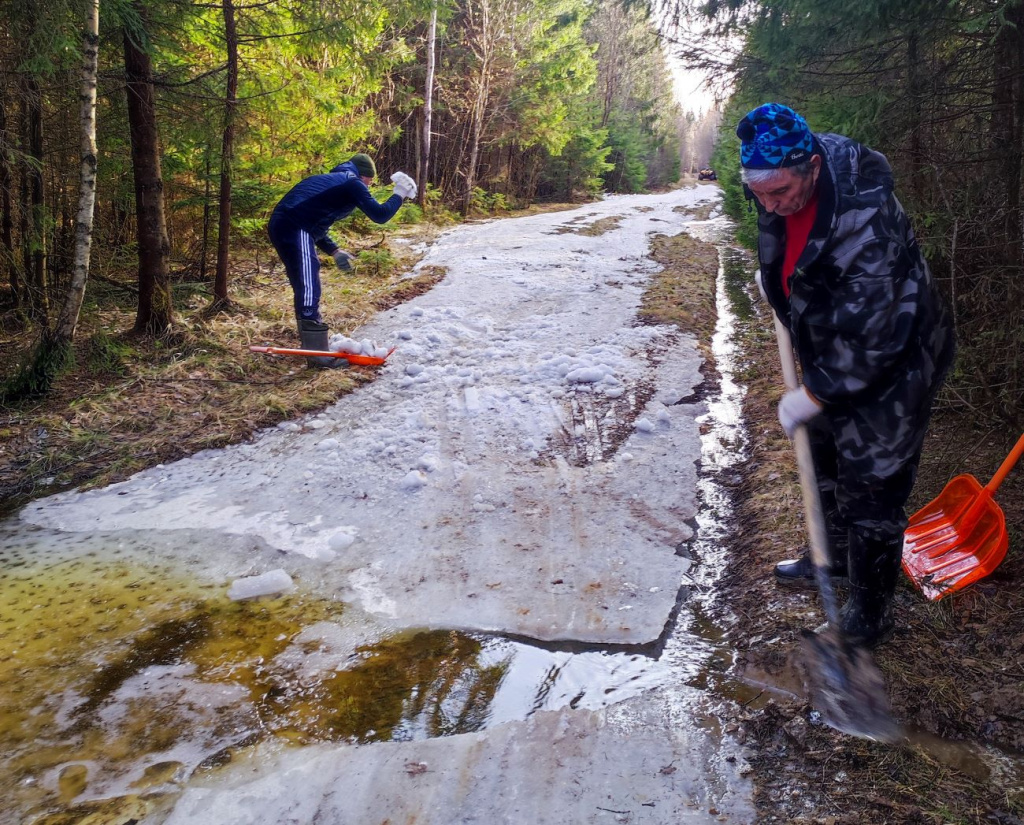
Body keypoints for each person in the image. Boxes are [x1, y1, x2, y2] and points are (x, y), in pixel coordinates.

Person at [736, 103, 955, 647]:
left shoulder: (868, 227)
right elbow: (788, 240)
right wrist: (779, 285)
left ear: (812, 167)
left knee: (873, 482)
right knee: (827, 452)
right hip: (835, 338)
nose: (770, 204)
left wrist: (814, 392)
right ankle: (829, 557)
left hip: (898, 354)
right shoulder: (780, 177)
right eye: (758, 194)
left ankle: (869, 612)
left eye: (779, 193)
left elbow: (876, 338)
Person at [268, 153, 417, 367]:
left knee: (304, 283)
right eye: (370, 181)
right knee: (309, 284)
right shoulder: (351, 182)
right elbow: (380, 215)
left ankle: (314, 348)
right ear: (364, 175)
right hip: (294, 225)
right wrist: (400, 194)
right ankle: (318, 357)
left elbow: (316, 221)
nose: (369, 186)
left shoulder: (335, 180)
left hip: (288, 224)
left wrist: (335, 250)